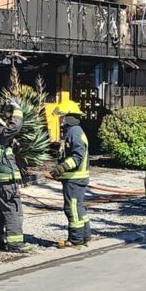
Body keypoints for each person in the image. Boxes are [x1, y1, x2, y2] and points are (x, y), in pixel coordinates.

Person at [0, 98, 33, 253]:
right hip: (5, 180)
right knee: (12, 209)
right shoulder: (2, 132)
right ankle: (15, 244)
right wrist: (17, 108)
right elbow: (16, 126)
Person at [49, 100, 91, 248]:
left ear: (67, 117)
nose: (60, 120)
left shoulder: (74, 132)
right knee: (78, 207)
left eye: (61, 117)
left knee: (72, 208)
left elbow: (77, 157)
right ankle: (85, 236)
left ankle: (76, 239)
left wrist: (62, 168)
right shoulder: (74, 132)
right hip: (75, 178)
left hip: (75, 178)